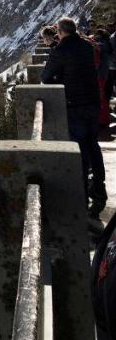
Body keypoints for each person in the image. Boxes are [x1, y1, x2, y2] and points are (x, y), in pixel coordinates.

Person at [43, 17, 106, 214]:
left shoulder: (60, 50)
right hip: (93, 102)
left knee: (80, 151)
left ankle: (83, 196)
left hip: (74, 105)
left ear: (60, 32)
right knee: (93, 144)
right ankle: (99, 188)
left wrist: (59, 79)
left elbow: (45, 77)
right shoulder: (87, 46)